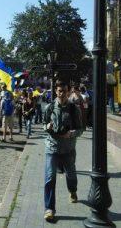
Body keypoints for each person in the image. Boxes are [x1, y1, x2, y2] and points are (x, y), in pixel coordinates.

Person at [42, 81, 84, 222]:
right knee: (49, 178)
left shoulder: (74, 109)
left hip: (68, 149)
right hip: (52, 147)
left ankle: (72, 190)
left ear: (68, 92)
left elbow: (81, 129)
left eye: (64, 91)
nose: (62, 94)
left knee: (71, 176)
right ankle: (49, 209)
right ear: (56, 92)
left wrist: (71, 133)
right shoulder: (49, 107)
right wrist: (47, 126)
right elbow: (43, 124)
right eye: (59, 91)